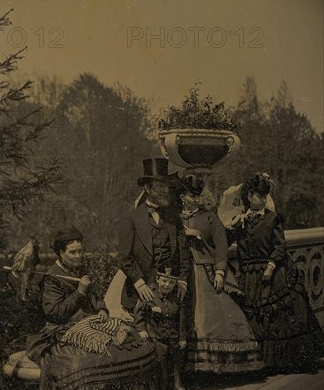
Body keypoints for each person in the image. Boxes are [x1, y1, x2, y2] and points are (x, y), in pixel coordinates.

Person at [26, 226, 164, 390]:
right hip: (63, 329)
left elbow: (97, 297)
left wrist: (101, 310)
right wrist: (79, 293)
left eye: (80, 250)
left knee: (131, 342)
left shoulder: (81, 270)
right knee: (88, 359)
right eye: (73, 252)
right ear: (60, 253)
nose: (78, 255)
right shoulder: (52, 278)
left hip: (91, 322)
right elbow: (54, 313)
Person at [227, 172, 324, 371]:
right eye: (258, 195)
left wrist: (270, 267)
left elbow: (280, 247)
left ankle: (284, 361)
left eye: (264, 195)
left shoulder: (273, 219)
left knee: (282, 316)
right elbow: (225, 243)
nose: (262, 199)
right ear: (249, 196)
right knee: (257, 317)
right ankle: (263, 362)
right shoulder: (241, 221)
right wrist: (232, 226)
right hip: (249, 275)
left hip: (273, 271)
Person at [176, 173, 264, 374]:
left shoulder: (209, 217)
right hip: (183, 275)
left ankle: (222, 365)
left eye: (198, 196)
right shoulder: (174, 219)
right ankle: (191, 367)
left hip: (206, 273)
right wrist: (184, 233)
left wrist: (219, 272)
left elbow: (222, 246)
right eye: (192, 195)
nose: (196, 199)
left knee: (216, 317)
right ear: (182, 196)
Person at [118, 157, 189, 312]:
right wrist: (139, 283)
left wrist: (183, 280)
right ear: (147, 189)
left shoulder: (174, 218)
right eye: (160, 187)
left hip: (169, 292)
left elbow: (183, 253)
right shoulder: (131, 218)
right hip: (139, 292)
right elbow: (124, 257)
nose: (165, 191)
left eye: (166, 187)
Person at [134, 264, 190, 390]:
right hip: (157, 336)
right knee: (162, 362)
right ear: (158, 279)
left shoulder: (177, 297)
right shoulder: (149, 295)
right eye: (164, 281)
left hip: (173, 335)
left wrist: (182, 337)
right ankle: (164, 388)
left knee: (177, 359)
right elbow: (138, 313)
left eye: (171, 282)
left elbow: (182, 318)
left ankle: (177, 384)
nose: (167, 285)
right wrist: (141, 329)